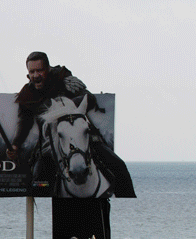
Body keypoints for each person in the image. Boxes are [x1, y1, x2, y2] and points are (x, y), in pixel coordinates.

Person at [8, 51, 136, 198]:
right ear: (28, 74)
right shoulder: (27, 95)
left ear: (48, 69)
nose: (36, 75)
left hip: (84, 138)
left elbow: (89, 98)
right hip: (51, 146)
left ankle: (129, 205)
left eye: (39, 70)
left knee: (118, 167)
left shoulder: (63, 77)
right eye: (32, 71)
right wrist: (15, 145)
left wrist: (66, 107)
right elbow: (24, 122)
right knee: (38, 182)